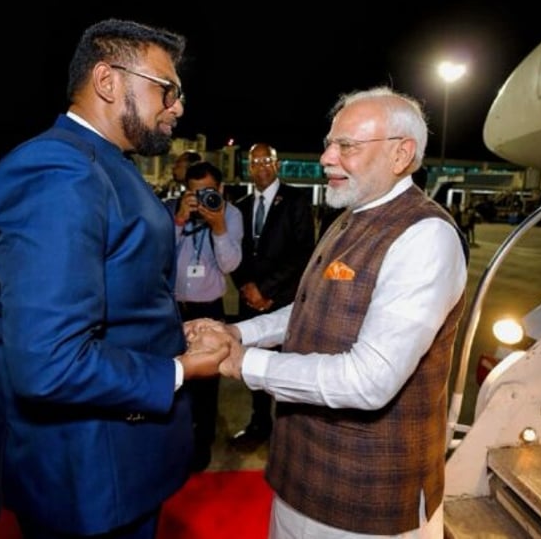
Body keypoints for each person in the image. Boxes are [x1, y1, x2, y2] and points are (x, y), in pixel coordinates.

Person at [0, 18, 228, 539]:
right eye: (168, 90)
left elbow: (117, 293)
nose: (178, 107)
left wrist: (166, 337)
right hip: (89, 477)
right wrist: (178, 371)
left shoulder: (105, 164)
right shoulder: (58, 170)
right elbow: (49, 362)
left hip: (116, 465)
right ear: (108, 81)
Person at [187, 86, 469, 538]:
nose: (326, 158)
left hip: (366, 498)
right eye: (329, 143)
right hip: (300, 476)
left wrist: (242, 362)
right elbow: (308, 308)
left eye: (346, 146)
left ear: (401, 154)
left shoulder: (424, 236)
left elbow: (369, 379)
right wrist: (239, 333)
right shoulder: (350, 215)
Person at [228, 142, 315, 447]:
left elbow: (304, 253)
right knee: (253, 366)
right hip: (249, 301)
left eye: (267, 160)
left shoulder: (296, 200)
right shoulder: (239, 206)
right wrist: (246, 287)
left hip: (283, 303)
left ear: (277, 165)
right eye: (255, 161)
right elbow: (232, 254)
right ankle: (258, 423)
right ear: (248, 168)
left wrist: (266, 291)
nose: (261, 166)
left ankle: (288, 431)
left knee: (286, 369)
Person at [165, 160, 243, 471]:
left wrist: (219, 227)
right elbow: (158, 255)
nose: (201, 199)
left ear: (220, 190)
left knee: (207, 384)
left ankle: (202, 443)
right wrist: (180, 220)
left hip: (208, 309)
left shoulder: (231, 215)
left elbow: (230, 265)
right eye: (194, 192)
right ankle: (176, 439)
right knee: (174, 378)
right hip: (173, 307)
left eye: (208, 192)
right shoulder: (173, 211)